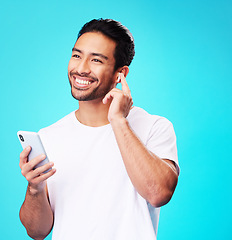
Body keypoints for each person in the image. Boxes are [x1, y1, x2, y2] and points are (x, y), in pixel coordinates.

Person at [19, 18, 180, 240]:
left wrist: (119, 121)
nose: (81, 69)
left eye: (96, 60)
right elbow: (37, 232)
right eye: (77, 55)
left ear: (120, 74)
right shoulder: (49, 136)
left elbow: (158, 193)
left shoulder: (155, 127)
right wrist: (34, 188)